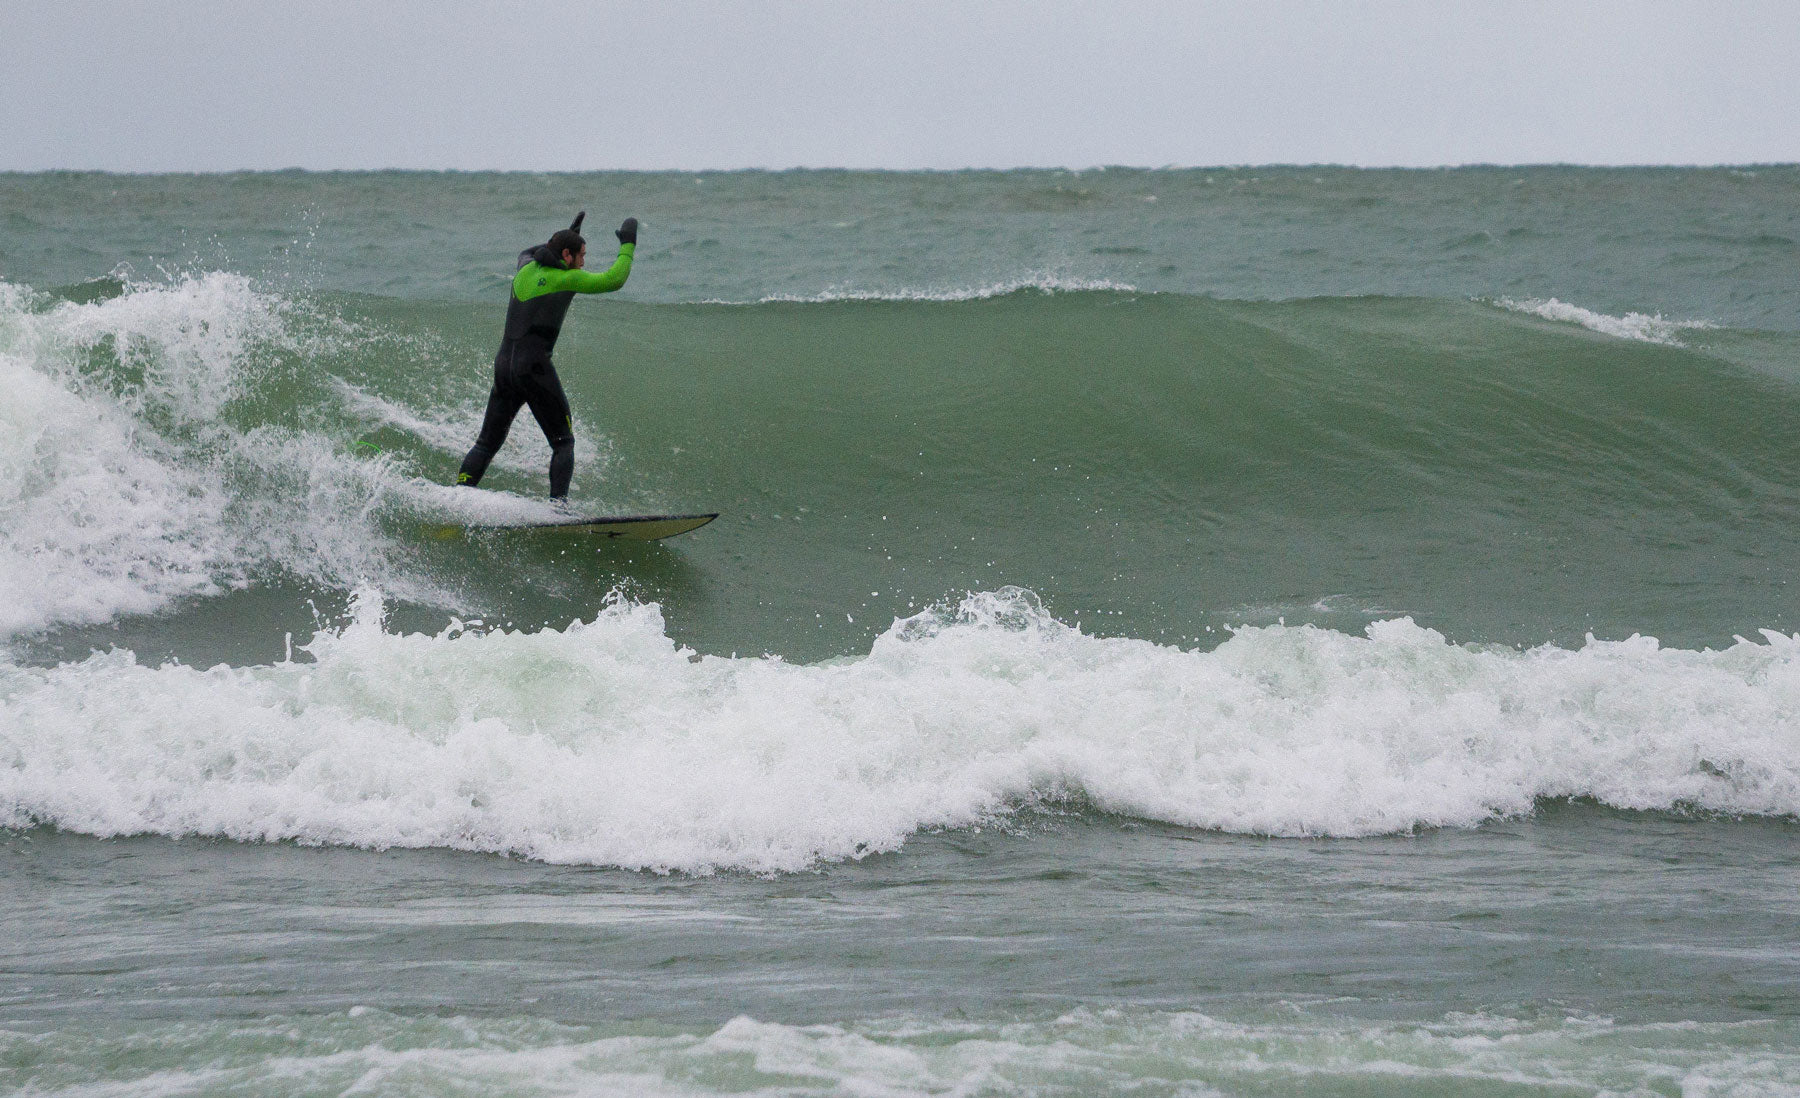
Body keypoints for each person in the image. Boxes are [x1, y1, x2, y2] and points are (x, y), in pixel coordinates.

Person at [456, 211, 638, 499]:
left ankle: (459, 495)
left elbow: (528, 251)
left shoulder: (525, 269)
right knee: (563, 443)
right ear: (567, 255)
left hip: (504, 367)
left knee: (485, 444)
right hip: (534, 369)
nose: (583, 262)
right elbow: (614, 279)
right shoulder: (565, 279)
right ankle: (558, 510)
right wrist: (628, 243)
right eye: (581, 255)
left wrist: (563, 236)